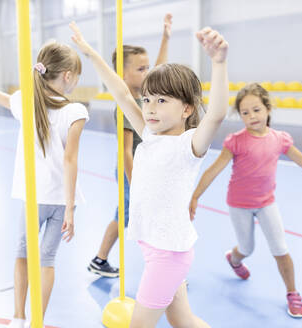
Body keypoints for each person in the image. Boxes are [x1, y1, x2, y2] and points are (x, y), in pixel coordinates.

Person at [70, 21, 229, 327]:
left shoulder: (189, 145)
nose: (150, 108)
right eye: (147, 99)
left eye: (161, 101)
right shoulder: (149, 134)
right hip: (156, 249)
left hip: (168, 256)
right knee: (184, 322)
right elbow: (119, 90)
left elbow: (218, 114)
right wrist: (90, 53)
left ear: (186, 109)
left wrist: (219, 63)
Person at [189, 82, 302, 318]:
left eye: (256, 109)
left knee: (280, 249)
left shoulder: (280, 139)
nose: (251, 116)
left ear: (268, 109)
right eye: (245, 113)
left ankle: (292, 292)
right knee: (247, 248)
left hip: (267, 203)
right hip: (239, 205)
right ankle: (234, 259)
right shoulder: (235, 141)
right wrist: (195, 197)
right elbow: (213, 170)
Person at [0, 41, 88, 328]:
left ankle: (18, 316)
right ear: (67, 76)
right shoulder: (76, 111)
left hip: (33, 196)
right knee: (47, 260)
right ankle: (37, 321)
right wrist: (70, 209)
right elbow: (71, 161)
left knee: (22, 253)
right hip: (59, 198)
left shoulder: (24, 101)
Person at [88, 13, 174, 278]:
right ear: (121, 75)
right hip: (132, 172)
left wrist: (165, 38)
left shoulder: (146, 96)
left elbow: (159, 68)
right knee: (138, 216)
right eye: (140, 69)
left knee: (123, 215)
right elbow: (125, 150)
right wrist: (135, 181)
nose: (147, 72)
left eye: (146, 68)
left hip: (147, 170)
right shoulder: (126, 106)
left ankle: (99, 260)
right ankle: (162, 267)